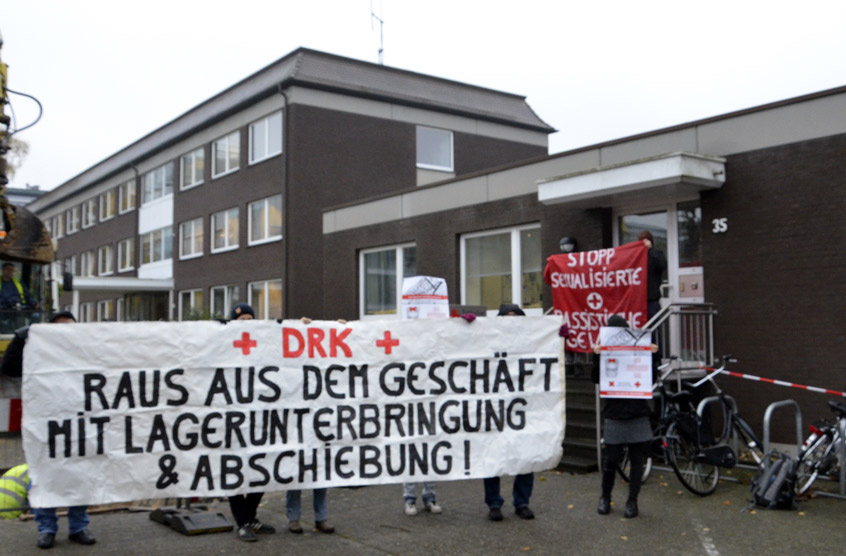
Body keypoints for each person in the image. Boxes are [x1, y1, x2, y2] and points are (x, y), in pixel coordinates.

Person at [0, 311, 96, 549]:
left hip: (77, 422)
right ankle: (47, 529)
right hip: (44, 424)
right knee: (43, 475)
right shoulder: (37, 351)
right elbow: (10, 368)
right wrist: (19, 340)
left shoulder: (84, 352)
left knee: (79, 475)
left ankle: (78, 527)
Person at [592, 314, 657, 519]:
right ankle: (605, 497)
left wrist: (653, 355)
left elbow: (651, 377)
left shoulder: (638, 352)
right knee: (611, 460)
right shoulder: (603, 352)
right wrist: (596, 356)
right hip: (615, 413)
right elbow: (596, 378)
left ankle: (632, 501)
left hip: (637, 412)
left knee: (637, 461)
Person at [225, 303, 277, 542]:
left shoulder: (264, 343)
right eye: (241, 320)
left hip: (259, 419)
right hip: (232, 420)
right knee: (233, 471)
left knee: (262, 469)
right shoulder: (223, 343)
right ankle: (242, 522)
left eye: (249, 318)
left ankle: (250, 518)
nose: (246, 323)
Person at [483, 303, 535, 521]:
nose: (511, 321)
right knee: (493, 458)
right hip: (495, 409)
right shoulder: (489, 341)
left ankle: (522, 502)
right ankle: (494, 503)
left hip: (522, 409)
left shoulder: (531, 342)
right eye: (506, 317)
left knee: (525, 457)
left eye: (515, 317)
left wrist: (557, 337)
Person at [638, 231, 667, 321]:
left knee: (654, 325)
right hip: (639, 300)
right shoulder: (637, 257)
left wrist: (650, 250)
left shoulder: (657, 254)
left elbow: (662, 266)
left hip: (652, 298)